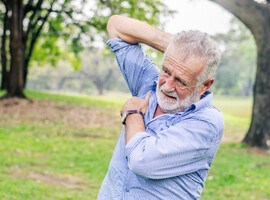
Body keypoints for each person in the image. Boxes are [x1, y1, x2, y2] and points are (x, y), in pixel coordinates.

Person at [98, 15, 224, 200]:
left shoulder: (207, 122)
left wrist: (133, 113)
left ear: (205, 85)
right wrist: (178, 47)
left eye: (181, 81)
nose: (166, 86)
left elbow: (142, 162)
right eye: (166, 70)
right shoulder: (149, 83)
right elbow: (116, 26)